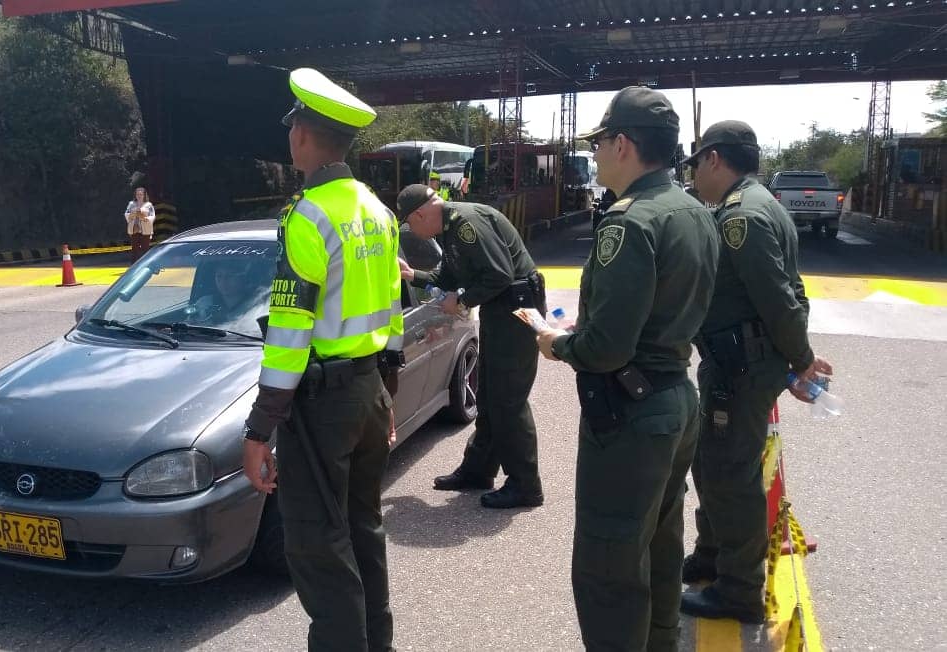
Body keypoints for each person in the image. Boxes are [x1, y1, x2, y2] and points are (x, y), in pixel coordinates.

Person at [534, 86, 719, 651]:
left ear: (622, 143)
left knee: (608, 565)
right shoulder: (694, 210)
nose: (594, 155)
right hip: (675, 400)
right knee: (660, 547)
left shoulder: (628, 221)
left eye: (599, 143)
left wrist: (556, 344)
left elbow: (608, 347)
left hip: (631, 413)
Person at [241, 67, 404, 652]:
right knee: (364, 530)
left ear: (302, 135)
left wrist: (260, 428)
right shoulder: (378, 212)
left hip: (322, 404)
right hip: (367, 392)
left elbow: (289, 332)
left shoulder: (306, 216)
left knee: (317, 542)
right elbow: (390, 316)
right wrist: (386, 397)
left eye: (293, 128)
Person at [677, 121, 833, 623]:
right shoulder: (763, 205)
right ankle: (712, 557)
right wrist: (788, 359)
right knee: (711, 462)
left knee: (730, 475)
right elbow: (795, 290)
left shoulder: (740, 217)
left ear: (715, 159)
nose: (695, 173)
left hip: (738, 368)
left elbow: (778, 298)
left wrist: (800, 359)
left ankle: (739, 590)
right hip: (741, 362)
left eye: (697, 162)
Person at [396, 183, 546, 509]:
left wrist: (462, 300)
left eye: (410, 223)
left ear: (421, 213)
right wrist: (413, 276)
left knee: (508, 399)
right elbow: (448, 274)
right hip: (500, 310)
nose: (414, 231)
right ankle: (479, 470)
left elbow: (500, 274)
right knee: (489, 394)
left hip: (517, 310)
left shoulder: (465, 223)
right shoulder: (449, 229)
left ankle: (526, 485)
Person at [189, 262, 258, 325]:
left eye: (230, 276)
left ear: (242, 278)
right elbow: (189, 325)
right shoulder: (204, 303)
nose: (223, 281)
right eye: (219, 276)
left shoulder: (257, 305)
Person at [124, 187, 155, 263]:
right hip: (135, 230)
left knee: (145, 250)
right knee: (134, 250)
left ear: (144, 195)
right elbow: (126, 214)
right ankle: (133, 267)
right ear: (135, 195)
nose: (139, 196)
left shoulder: (149, 205)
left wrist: (144, 217)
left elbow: (152, 216)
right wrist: (133, 213)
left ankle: (146, 265)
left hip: (145, 231)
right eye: (137, 194)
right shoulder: (131, 204)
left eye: (141, 194)